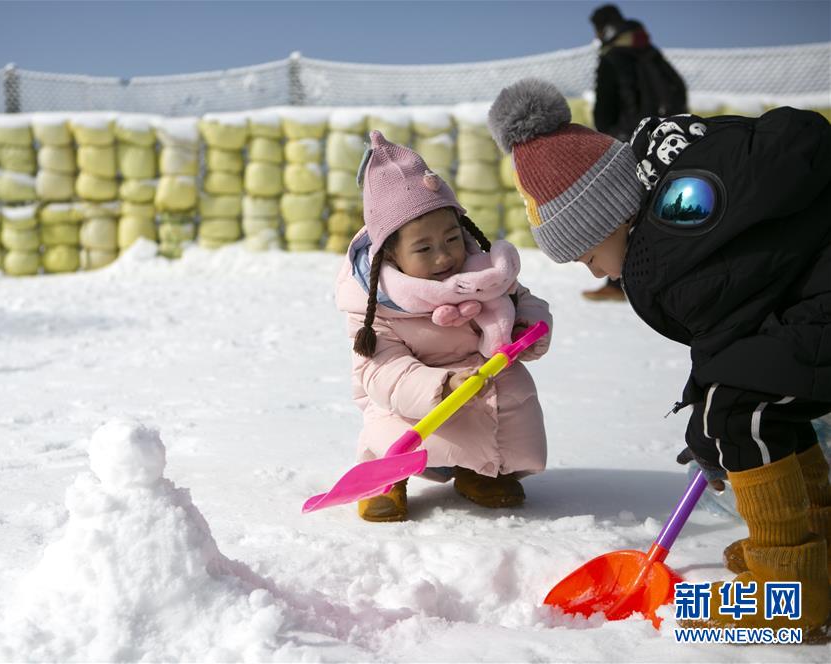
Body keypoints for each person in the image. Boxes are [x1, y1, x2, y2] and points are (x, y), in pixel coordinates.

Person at [488, 77, 830, 635]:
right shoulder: (688, 199)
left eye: (589, 256)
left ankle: (790, 590)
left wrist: (709, 424)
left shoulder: (668, 254)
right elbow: (739, 330)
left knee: (739, 415)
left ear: (609, 216)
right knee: (758, 404)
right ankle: (814, 554)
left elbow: (729, 347)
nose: (597, 273)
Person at [335, 130, 552, 522]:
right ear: (391, 254)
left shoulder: (483, 273)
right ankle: (386, 478)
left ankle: (481, 471)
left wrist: (525, 324)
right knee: (392, 420)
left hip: (481, 384)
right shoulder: (376, 304)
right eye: (424, 248)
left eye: (452, 239)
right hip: (416, 394)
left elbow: (523, 299)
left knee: (510, 396)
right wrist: (443, 387)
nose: (443, 257)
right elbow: (382, 371)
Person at [583, 4, 688, 302]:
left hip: (628, 143)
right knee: (665, 206)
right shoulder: (649, 52)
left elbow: (605, 108)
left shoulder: (613, 57)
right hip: (666, 140)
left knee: (623, 213)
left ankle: (621, 283)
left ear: (603, 29)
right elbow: (678, 90)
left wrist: (607, 136)